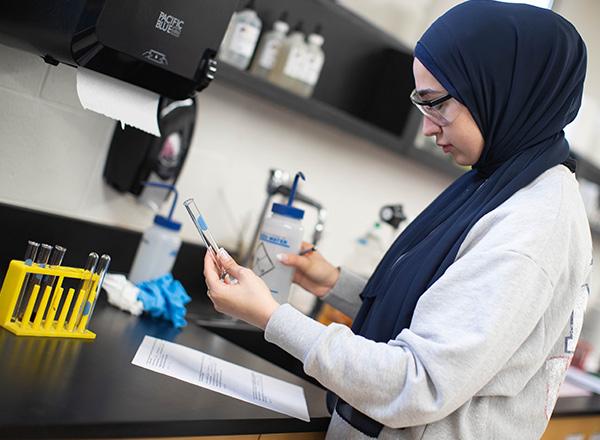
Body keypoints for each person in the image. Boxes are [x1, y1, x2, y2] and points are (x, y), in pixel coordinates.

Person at [203, 1, 592, 438]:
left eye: (436, 104)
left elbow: (417, 382)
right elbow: (439, 309)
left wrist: (272, 318)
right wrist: (336, 283)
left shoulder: (534, 223)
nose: (427, 128)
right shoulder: (502, 181)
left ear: (500, 92)